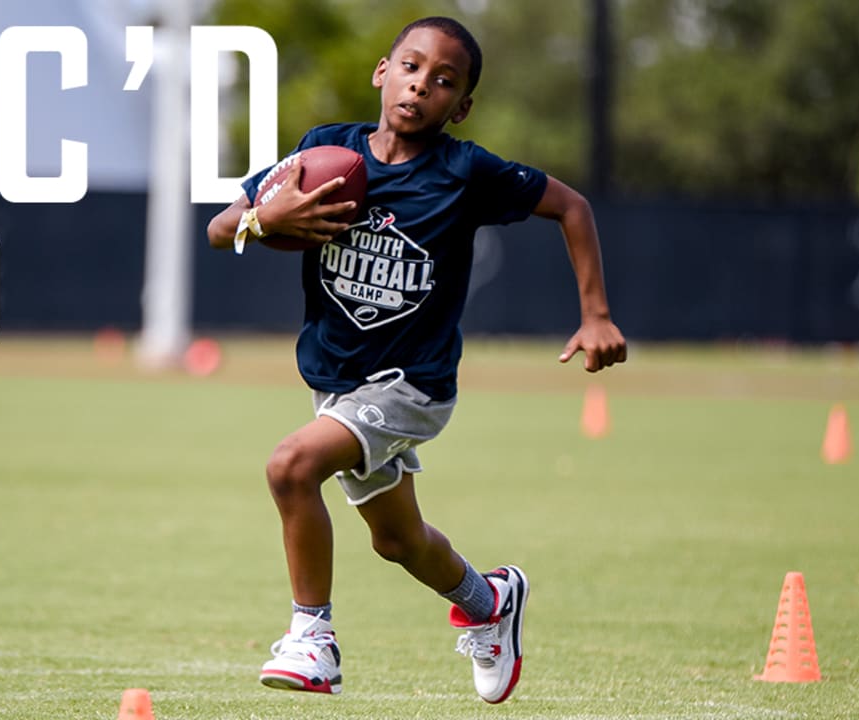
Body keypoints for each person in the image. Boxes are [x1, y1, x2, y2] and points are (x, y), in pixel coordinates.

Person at [206, 15, 626, 704]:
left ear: (459, 106)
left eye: (443, 81)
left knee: (290, 465)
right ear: (382, 71)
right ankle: (489, 600)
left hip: (411, 385)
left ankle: (313, 638)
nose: (420, 86)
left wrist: (596, 314)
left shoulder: (465, 172)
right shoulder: (324, 152)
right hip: (336, 381)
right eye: (410, 67)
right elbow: (222, 229)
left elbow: (572, 207)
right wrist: (265, 220)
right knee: (398, 541)